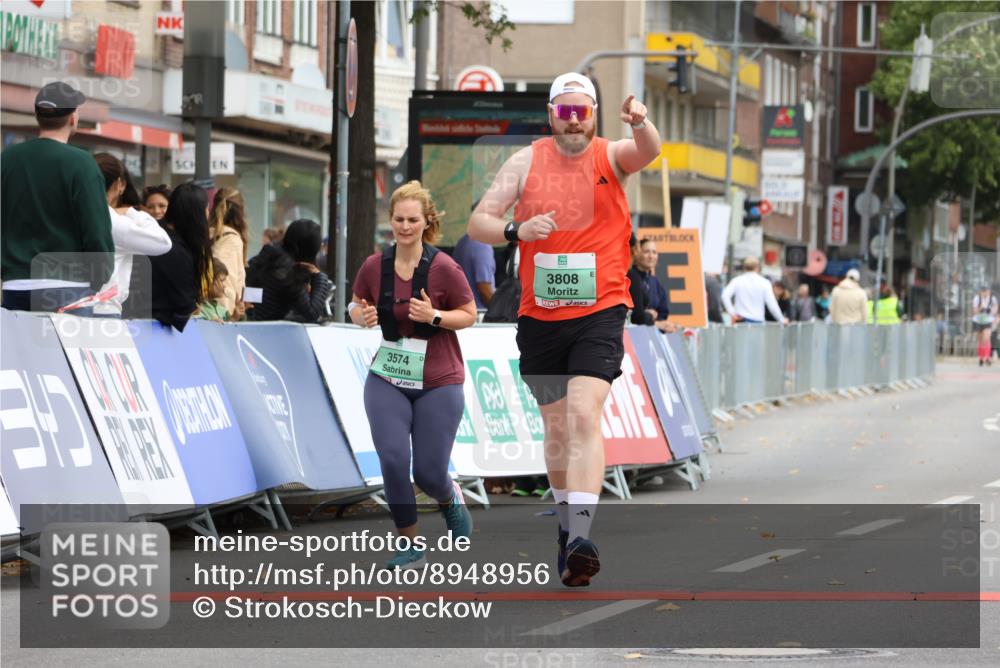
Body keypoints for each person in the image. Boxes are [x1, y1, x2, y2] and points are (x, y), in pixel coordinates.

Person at [468, 72, 661, 586]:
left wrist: (641, 123)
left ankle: (580, 534)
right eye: (565, 111)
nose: (574, 121)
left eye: (583, 111)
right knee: (556, 430)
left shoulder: (610, 155)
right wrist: (517, 230)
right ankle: (565, 526)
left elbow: (648, 151)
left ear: (593, 114)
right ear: (551, 114)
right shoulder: (525, 161)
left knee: (582, 414)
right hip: (541, 316)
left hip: (601, 309)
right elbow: (479, 222)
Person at [349, 181, 477, 569]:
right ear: (390, 221)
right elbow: (355, 304)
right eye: (399, 219)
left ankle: (449, 497)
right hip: (387, 377)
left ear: (426, 222)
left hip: (439, 380)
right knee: (392, 458)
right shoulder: (374, 266)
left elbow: (469, 314)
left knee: (428, 472)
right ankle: (410, 542)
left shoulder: (445, 268)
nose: (405, 227)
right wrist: (361, 316)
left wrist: (434, 316)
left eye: (413, 220)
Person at [1, 81, 114, 312]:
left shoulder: (7, 159)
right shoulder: (82, 164)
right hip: (68, 285)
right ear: (73, 117)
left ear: (37, 115)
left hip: (16, 285)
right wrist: (99, 277)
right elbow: (96, 230)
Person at [59, 154, 171, 317]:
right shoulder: (111, 220)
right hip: (103, 309)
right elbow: (163, 243)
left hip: (66, 304)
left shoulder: (68, 212)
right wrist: (133, 212)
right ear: (119, 184)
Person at [150, 183, 213, 332]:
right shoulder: (176, 252)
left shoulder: (158, 234)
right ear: (197, 214)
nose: (208, 214)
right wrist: (201, 316)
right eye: (206, 209)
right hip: (152, 332)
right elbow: (183, 306)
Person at [245, 219, 333, 323]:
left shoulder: (272, 256)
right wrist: (319, 277)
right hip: (268, 328)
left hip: (251, 323)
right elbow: (312, 312)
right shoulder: (288, 271)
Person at [210, 188, 249, 320]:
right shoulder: (231, 239)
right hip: (222, 316)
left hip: (208, 311)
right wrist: (230, 317)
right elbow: (226, 282)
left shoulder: (207, 234)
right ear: (241, 211)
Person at [721, 257, 787, 324]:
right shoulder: (764, 283)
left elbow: (725, 295)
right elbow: (772, 305)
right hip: (757, 321)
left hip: (740, 320)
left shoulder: (737, 281)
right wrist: (781, 319)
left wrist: (733, 313)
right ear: (757, 267)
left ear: (744, 268)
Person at [636, 237, 677, 333]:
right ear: (637, 253)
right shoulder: (629, 278)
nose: (651, 256)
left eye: (654, 252)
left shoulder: (655, 282)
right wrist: (645, 315)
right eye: (646, 252)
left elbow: (663, 313)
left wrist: (664, 325)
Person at [452, 232, 496, 309]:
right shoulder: (482, 245)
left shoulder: (464, 241)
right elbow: (484, 289)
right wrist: (500, 310)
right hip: (479, 312)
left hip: (465, 309)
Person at [627, 233, 652, 325]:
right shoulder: (633, 277)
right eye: (639, 245)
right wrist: (650, 316)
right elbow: (637, 316)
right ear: (635, 249)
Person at [197, 258, 231, 322]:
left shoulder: (220, 308)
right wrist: (210, 324)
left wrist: (236, 316)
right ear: (208, 281)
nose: (224, 285)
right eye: (222, 280)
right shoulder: (196, 309)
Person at [972, 285, 998, 366]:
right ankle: (981, 358)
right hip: (978, 320)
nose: (985, 293)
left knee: (986, 338)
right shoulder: (977, 298)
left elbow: (995, 309)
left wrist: (991, 311)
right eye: (983, 291)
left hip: (988, 321)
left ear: (989, 291)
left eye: (986, 291)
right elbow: (974, 311)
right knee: (980, 340)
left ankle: (987, 357)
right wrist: (980, 309)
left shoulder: (992, 298)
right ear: (981, 292)